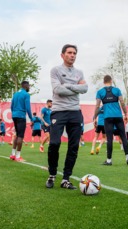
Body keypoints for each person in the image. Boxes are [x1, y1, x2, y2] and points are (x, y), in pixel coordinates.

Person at [46, 44, 88, 190]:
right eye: (69, 52)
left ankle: (66, 179)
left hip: (75, 112)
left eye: (74, 53)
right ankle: (52, 174)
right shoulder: (56, 70)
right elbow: (58, 90)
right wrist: (76, 88)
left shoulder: (79, 73)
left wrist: (68, 86)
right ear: (62, 55)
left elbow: (85, 88)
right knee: (54, 143)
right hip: (59, 111)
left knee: (74, 146)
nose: (72, 55)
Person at [93, 75, 128, 166]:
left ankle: (109, 160)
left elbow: (97, 106)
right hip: (118, 116)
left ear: (104, 82)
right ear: (111, 81)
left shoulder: (100, 92)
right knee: (123, 137)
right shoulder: (117, 90)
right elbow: (122, 102)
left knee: (110, 139)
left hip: (107, 118)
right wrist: (126, 114)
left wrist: (95, 118)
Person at [10, 81, 33, 162]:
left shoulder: (15, 94)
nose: (29, 87)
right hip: (21, 116)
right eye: (29, 86)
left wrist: (14, 114)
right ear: (25, 86)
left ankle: (12, 155)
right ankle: (18, 156)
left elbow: (11, 106)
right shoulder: (26, 94)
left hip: (14, 116)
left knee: (17, 134)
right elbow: (28, 108)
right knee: (20, 136)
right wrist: (31, 118)